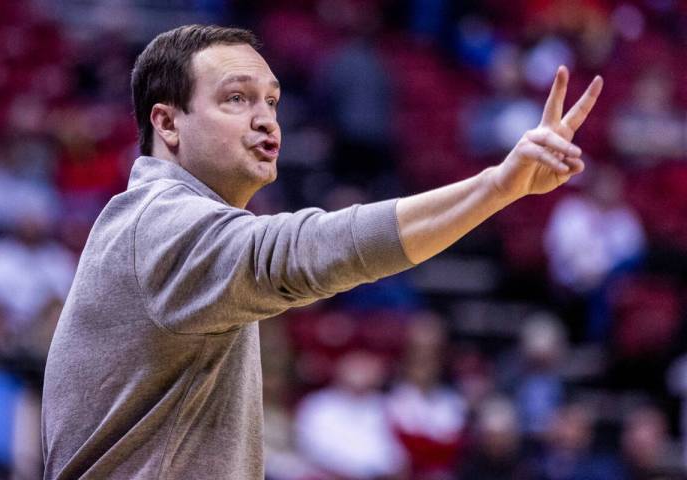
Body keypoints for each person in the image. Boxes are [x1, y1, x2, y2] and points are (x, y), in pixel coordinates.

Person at [41, 24, 603, 479]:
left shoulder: (172, 226)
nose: (266, 118)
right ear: (166, 123)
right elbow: (307, 251)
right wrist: (495, 187)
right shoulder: (159, 220)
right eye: (236, 98)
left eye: (272, 101)